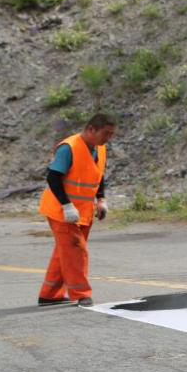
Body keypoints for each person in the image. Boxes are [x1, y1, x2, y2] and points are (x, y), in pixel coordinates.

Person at [37, 113, 116, 307]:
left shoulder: (100, 149)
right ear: (91, 129)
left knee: (65, 252)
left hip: (82, 212)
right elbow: (53, 178)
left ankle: (49, 294)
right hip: (61, 211)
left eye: (111, 134)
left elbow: (98, 176)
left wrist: (101, 199)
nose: (108, 138)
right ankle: (81, 294)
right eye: (106, 133)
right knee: (76, 251)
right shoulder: (69, 148)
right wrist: (66, 205)